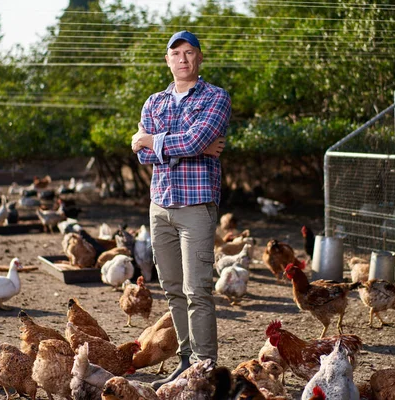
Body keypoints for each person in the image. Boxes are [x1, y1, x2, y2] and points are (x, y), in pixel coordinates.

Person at [131, 30, 231, 389]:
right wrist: (192, 147)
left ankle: (205, 367)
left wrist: (158, 141)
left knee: (197, 289)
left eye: (190, 53)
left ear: (199, 58)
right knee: (172, 287)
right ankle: (186, 361)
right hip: (160, 206)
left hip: (195, 206)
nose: (183, 59)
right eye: (177, 54)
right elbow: (141, 154)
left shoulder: (216, 97)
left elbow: (194, 139)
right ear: (168, 60)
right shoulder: (154, 102)